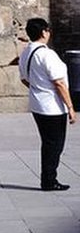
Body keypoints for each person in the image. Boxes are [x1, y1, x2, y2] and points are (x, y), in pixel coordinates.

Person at [18, 17, 75, 191]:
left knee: (48, 142)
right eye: (48, 30)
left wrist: (37, 88)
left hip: (38, 105)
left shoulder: (26, 52)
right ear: (43, 32)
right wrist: (71, 107)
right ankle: (49, 180)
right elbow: (59, 83)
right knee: (55, 144)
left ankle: (48, 177)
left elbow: (24, 78)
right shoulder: (47, 54)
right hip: (52, 107)